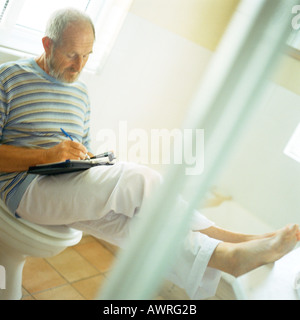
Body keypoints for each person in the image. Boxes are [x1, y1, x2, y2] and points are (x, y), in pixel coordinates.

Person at [0, 8, 299, 300]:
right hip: (22, 187)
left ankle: (228, 257)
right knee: (140, 179)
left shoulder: (80, 94)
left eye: (87, 55)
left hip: (64, 183)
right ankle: (235, 240)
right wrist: (45, 156)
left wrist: (93, 159)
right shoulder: (9, 78)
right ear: (47, 44)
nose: (79, 66)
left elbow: (80, 149)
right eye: (71, 55)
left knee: (139, 227)